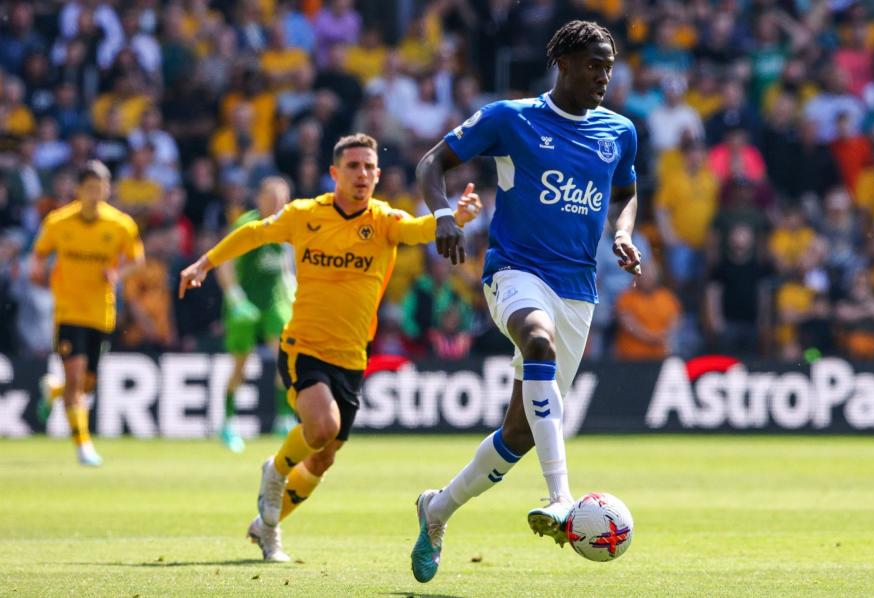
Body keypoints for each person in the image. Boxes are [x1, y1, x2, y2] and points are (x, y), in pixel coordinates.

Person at [410, 21, 642, 583]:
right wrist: (443, 216)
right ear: (562, 62)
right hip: (515, 272)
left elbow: (628, 192)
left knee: (518, 432)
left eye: (609, 66)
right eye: (593, 64)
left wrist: (623, 232)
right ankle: (561, 498)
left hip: (578, 291)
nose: (603, 76)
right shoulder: (510, 119)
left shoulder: (620, 131)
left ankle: (435, 510)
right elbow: (431, 163)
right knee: (534, 338)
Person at [178, 133, 480, 562]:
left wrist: (457, 215)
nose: (362, 174)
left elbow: (422, 228)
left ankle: (267, 527)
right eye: (353, 166)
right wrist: (205, 263)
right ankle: (276, 469)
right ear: (334, 173)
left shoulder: (384, 221)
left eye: (369, 167)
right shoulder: (305, 215)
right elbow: (253, 234)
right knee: (321, 428)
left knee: (321, 461)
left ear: (378, 174)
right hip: (304, 345)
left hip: (352, 357)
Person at [31, 160, 145, 466]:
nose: (95, 194)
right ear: (78, 190)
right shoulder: (58, 222)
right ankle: (83, 445)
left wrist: (118, 272)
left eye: (100, 188)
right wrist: (37, 272)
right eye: (89, 188)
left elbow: (137, 260)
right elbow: (39, 254)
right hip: (68, 310)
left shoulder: (120, 224)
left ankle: (54, 391)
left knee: (86, 384)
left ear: (108, 190)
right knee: (76, 374)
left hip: (101, 313)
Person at [215, 177, 297, 453]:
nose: (276, 204)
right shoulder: (246, 225)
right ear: (259, 198)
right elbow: (223, 261)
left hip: (274, 301)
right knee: (241, 365)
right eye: (271, 198)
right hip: (245, 302)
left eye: (280, 199)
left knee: (286, 357)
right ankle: (227, 423)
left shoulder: (289, 225)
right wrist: (235, 298)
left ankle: (284, 418)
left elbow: (289, 264)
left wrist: (294, 289)